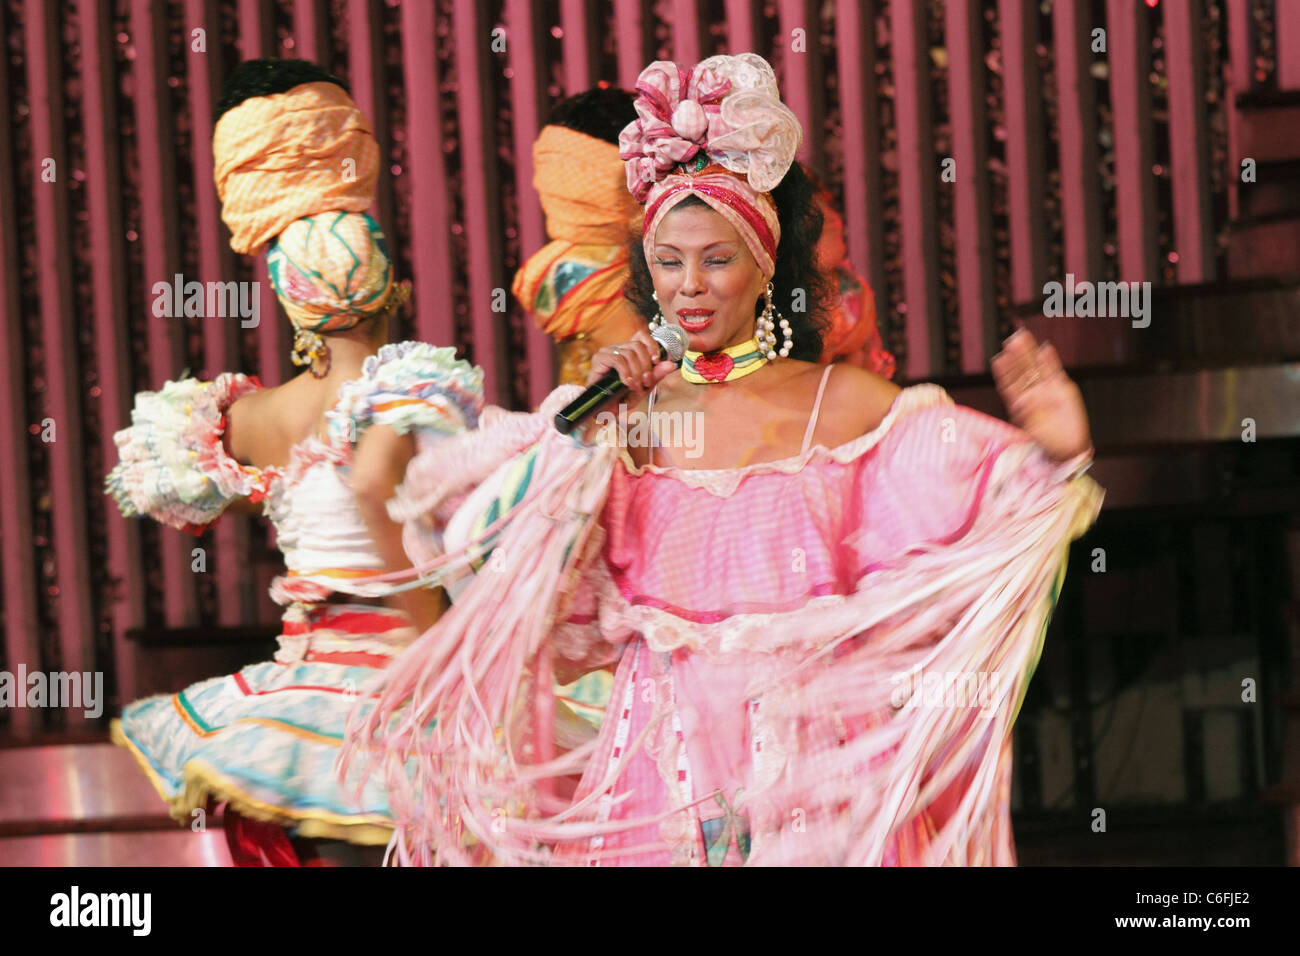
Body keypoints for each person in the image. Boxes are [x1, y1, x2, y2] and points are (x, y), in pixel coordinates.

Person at [343, 53, 1102, 866]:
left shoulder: (838, 403)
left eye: (717, 259)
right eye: (669, 262)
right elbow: (522, 580)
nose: (690, 287)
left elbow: (993, 508)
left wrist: (1059, 445)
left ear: (764, 267)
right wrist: (591, 439)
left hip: (809, 773)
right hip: (661, 771)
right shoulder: (628, 422)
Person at [105, 59, 483, 866]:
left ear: (284, 290)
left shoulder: (245, 419)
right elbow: (412, 540)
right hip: (415, 696)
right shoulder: (417, 389)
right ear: (394, 282)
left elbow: (257, 497)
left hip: (296, 711)